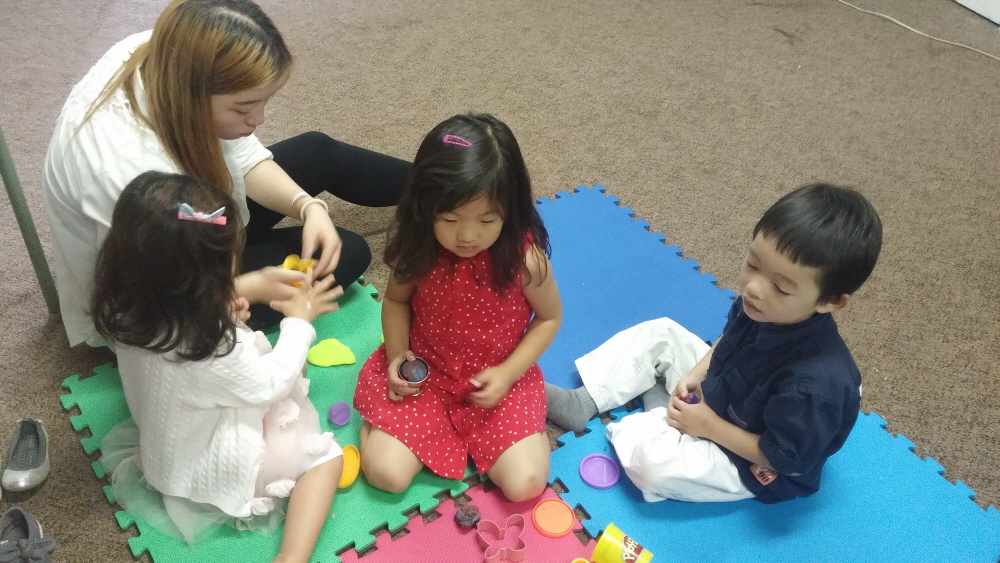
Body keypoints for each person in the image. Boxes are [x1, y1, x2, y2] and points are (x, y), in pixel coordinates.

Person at [42, 0, 410, 347]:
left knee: (317, 151)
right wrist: (250, 286)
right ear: (191, 96)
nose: (258, 119)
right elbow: (153, 306)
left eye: (263, 102)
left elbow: (244, 157)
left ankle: (438, 190)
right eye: (243, 108)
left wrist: (308, 206)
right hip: (159, 294)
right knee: (347, 251)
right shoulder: (123, 173)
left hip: (192, 213)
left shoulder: (163, 51)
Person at [546, 183, 882, 504]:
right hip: (728, 394)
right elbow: (729, 340)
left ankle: (662, 415)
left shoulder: (814, 388)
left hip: (747, 455)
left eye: (781, 287)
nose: (754, 288)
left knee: (652, 467)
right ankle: (586, 401)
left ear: (831, 302)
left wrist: (707, 426)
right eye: (753, 264)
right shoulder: (764, 306)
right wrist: (694, 374)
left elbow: (782, 457)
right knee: (663, 332)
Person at [92, 171, 344, 562]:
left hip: (167, 448)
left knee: (278, 366)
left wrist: (230, 300)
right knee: (326, 458)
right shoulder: (211, 347)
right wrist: (300, 321)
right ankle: (291, 558)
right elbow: (270, 384)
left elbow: (179, 321)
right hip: (213, 472)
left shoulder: (127, 307)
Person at [352, 114, 562, 502]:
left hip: (498, 382)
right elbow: (396, 301)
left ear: (511, 211)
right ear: (425, 208)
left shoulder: (525, 260)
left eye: (487, 219)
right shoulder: (419, 249)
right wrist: (398, 357)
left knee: (527, 484)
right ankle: (380, 422)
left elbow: (549, 318)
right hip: (426, 377)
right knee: (385, 474)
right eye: (449, 218)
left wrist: (507, 374)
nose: (466, 235)